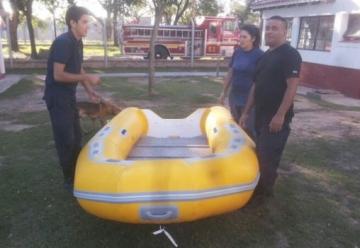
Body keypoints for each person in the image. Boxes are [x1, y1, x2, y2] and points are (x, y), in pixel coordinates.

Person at [239, 16, 302, 198]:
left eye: (275, 28)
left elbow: (292, 86)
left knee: (268, 157)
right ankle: (258, 188)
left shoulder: (290, 55)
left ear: (285, 32)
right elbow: (255, 86)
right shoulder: (266, 55)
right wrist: (246, 112)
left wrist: (280, 115)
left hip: (275, 118)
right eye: (268, 28)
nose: (270, 31)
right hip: (260, 115)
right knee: (260, 153)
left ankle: (263, 196)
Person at [43, 5, 101, 192]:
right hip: (57, 99)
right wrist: (86, 78)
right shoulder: (64, 42)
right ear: (72, 23)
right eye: (84, 22)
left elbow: (78, 68)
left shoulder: (78, 42)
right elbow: (58, 75)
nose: (87, 26)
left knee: (76, 137)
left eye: (88, 23)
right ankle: (69, 180)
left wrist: (89, 90)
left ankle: (77, 175)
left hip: (69, 97)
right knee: (66, 140)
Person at [219, 24, 264, 137]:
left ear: (253, 39)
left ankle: (253, 153)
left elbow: (259, 81)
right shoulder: (237, 52)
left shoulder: (260, 56)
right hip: (235, 97)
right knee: (236, 127)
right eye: (240, 36)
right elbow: (230, 73)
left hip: (250, 99)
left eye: (245, 37)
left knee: (248, 129)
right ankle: (237, 152)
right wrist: (223, 92)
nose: (241, 39)